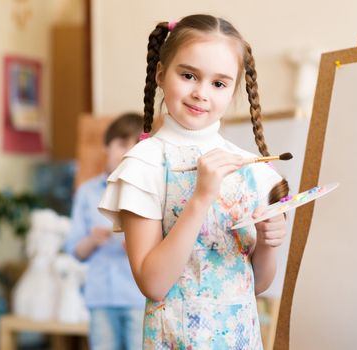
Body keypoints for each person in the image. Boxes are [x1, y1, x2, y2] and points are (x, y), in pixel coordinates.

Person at [99, 14, 290, 349]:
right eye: (188, 75)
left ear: (233, 92)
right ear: (161, 74)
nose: (201, 93)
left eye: (219, 83)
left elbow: (255, 284)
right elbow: (153, 284)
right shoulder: (144, 165)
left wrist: (267, 243)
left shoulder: (250, 168)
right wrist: (201, 198)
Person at [65, 113, 145, 350]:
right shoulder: (87, 192)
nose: (129, 152)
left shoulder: (151, 193)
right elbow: (74, 250)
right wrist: (92, 239)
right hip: (100, 296)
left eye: (137, 146)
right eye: (122, 144)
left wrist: (136, 246)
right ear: (106, 147)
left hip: (139, 298)